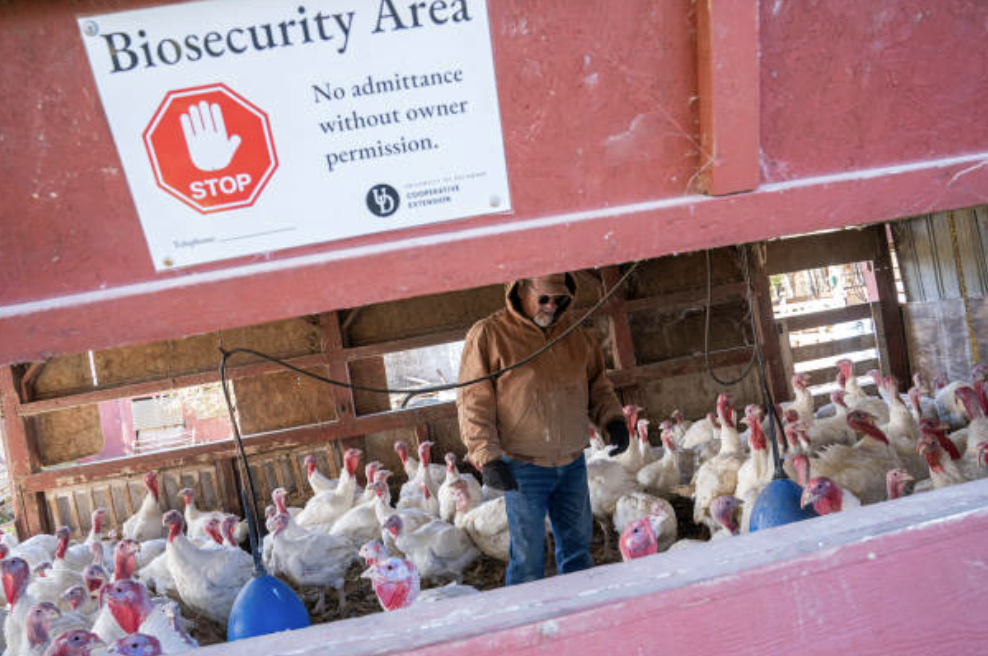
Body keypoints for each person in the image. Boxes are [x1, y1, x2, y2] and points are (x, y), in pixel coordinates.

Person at [456, 272, 630, 585]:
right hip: (523, 466)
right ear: (520, 289)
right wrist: (486, 455)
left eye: (560, 299)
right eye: (545, 298)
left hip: (572, 462)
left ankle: (580, 619)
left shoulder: (576, 333)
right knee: (527, 559)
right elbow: (473, 400)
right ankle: (528, 626)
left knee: (578, 551)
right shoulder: (490, 335)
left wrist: (613, 420)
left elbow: (597, 384)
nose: (551, 306)